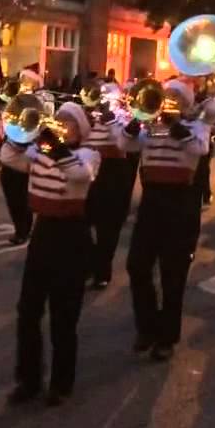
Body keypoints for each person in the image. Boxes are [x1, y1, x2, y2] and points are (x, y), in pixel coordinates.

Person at [8, 103, 99, 407]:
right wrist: (20, 136)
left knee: (63, 315)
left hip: (71, 236)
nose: (60, 124)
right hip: (43, 233)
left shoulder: (87, 154)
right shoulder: (40, 152)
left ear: (80, 130)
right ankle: (28, 379)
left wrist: (53, 145)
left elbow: (79, 174)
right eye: (57, 120)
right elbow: (8, 157)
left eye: (67, 122)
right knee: (28, 311)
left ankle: (61, 382)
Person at [121, 80, 210, 360]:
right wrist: (135, 123)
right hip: (151, 201)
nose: (168, 101)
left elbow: (200, 149)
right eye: (165, 96)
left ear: (185, 104)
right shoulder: (149, 126)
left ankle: (167, 337)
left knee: (173, 273)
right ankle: (147, 327)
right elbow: (124, 143)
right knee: (137, 265)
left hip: (180, 203)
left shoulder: (196, 127)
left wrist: (174, 124)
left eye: (175, 98)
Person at [84, 83, 139, 290]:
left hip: (113, 172)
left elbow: (123, 143)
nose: (102, 102)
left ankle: (102, 271)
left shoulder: (123, 118)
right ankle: (92, 262)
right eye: (101, 98)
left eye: (106, 99)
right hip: (90, 169)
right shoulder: (92, 116)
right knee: (81, 221)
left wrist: (112, 121)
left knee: (108, 227)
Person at [0, 70, 42, 245]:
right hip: (12, 163)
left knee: (20, 200)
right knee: (17, 200)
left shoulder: (36, 102)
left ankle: (22, 230)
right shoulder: (15, 104)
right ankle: (23, 228)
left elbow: (35, 130)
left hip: (21, 164)